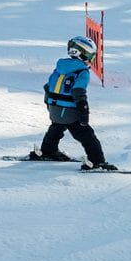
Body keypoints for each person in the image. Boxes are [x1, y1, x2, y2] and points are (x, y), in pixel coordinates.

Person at [25, 36, 118, 171]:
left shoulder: (59, 68)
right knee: (88, 137)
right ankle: (97, 161)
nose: (91, 60)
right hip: (70, 113)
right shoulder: (82, 72)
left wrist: (50, 107)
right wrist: (83, 113)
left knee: (56, 129)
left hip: (56, 111)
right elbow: (78, 92)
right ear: (83, 54)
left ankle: (48, 150)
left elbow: (47, 87)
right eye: (90, 56)